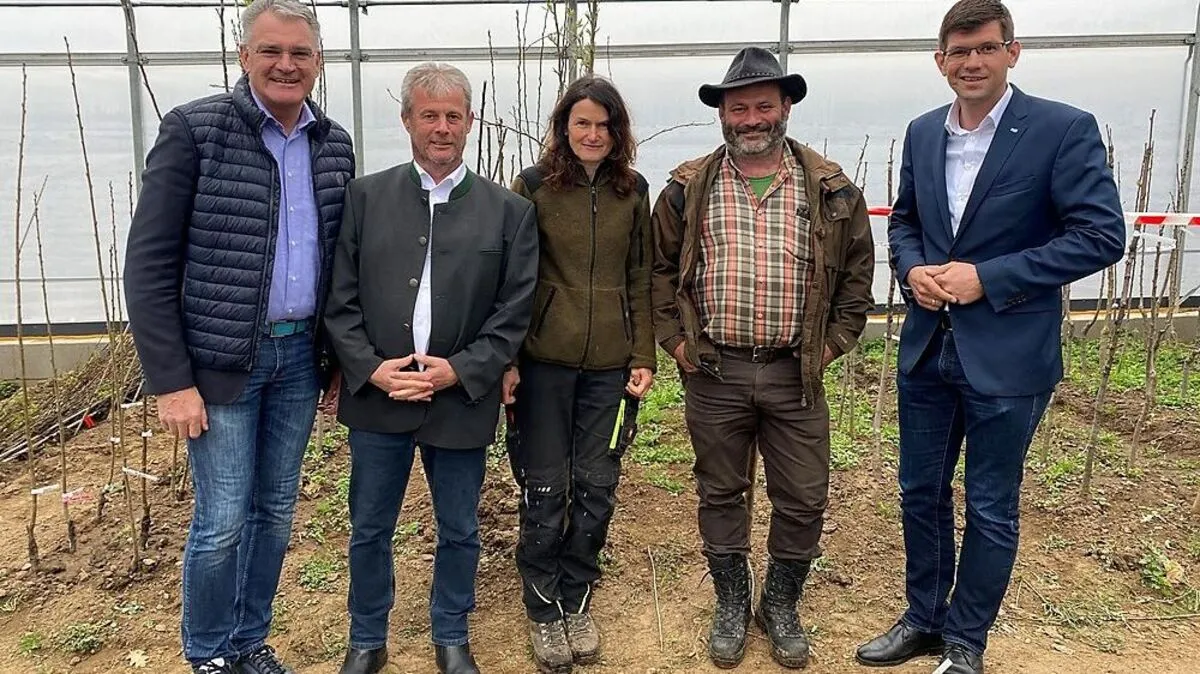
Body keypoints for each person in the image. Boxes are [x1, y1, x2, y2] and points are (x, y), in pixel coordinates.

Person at [854, 2, 1126, 673]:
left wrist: (991, 277)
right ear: (939, 60)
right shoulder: (923, 133)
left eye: (985, 48)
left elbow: (1101, 236)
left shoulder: (1061, 130)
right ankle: (924, 619)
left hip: (1008, 353)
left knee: (991, 503)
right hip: (927, 347)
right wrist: (912, 267)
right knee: (920, 490)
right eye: (958, 51)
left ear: (1012, 52)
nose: (971, 62)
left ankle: (966, 642)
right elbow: (907, 222)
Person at [123, 1, 353, 672]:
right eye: (272, 51)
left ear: (318, 61)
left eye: (301, 53)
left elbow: (339, 260)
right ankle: (209, 653)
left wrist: (333, 362)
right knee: (221, 519)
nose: (287, 65)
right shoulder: (195, 130)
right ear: (244, 56)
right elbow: (150, 262)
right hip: (222, 363)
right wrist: (171, 380)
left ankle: (250, 639)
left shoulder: (332, 142)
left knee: (275, 513)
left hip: (298, 358)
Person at [651, 46, 875, 669]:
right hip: (714, 369)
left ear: (786, 108)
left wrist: (830, 345)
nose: (751, 118)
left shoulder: (830, 189)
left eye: (763, 106)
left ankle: (780, 604)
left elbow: (858, 276)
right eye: (738, 107)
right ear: (722, 114)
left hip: (793, 373)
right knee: (721, 492)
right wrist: (674, 342)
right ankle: (730, 601)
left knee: (803, 496)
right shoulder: (686, 188)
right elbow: (659, 272)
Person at [323, 62, 539, 674]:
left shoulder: (508, 212)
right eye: (429, 115)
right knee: (369, 527)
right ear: (407, 121)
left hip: (459, 397)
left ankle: (451, 634)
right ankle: (366, 639)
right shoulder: (365, 198)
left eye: (453, 116)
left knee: (460, 528)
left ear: (469, 122)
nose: (441, 128)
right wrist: (371, 369)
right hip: (379, 396)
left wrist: (461, 370)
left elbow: (512, 311)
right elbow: (338, 300)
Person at [503, 75, 654, 674]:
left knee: (596, 485)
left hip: (609, 368)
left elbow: (642, 275)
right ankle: (542, 606)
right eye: (582, 123)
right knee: (546, 487)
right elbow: (513, 282)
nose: (593, 134)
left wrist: (641, 353)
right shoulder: (534, 187)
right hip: (543, 364)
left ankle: (577, 598)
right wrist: (510, 359)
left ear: (618, 132)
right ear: (565, 128)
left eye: (605, 124)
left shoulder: (632, 190)